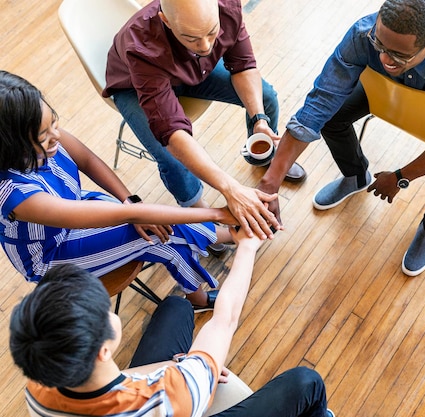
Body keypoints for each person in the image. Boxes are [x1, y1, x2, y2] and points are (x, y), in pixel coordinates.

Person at [258, 0, 425, 276]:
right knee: (331, 118)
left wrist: (399, 177)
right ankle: (356, 176)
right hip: (386, 96)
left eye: (398, 55)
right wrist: (270, 180)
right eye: (379, 45)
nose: (384, 59)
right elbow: (319, 103)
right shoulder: (363, 33)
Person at [0, 70, 254, 310]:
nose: (56, 135)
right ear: (11, 144)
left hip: (78, 207)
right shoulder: (14, 194)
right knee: (155, 230)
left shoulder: (43, 131)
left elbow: (88, 161)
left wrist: (129, 200)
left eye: (54, 123)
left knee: (158, 229)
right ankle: (232, 235)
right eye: (44, 136)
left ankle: (221, 253)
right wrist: (217, 213)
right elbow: (128, 216)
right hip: (51, 256)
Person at [9, 259, 335, 415]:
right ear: (103, 350)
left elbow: (113, 384)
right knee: (306, 383)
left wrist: (176, 365)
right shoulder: (164, 399)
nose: (111, 313)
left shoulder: (40, 381)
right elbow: (225, 319)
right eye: (106, 312)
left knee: (176, 308)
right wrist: (249, 244)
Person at [103, 0, 304, 240]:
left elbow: (243, 65)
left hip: (190, 70)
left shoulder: (227, 8)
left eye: (212, 32)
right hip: (134, 87)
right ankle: (202, 221)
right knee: (171, 157)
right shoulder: (142, 48)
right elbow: (173, 135)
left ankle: (262, 153)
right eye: (192, 38)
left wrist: (259, 118)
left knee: (266, 97)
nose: (206, 46)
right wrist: (231, 189)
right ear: (166, 21)